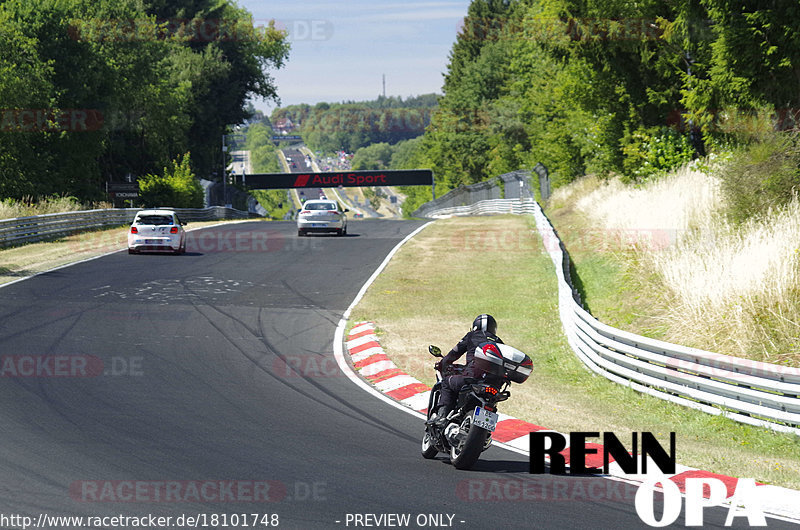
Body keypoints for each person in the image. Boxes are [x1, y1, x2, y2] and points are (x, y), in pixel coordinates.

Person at [426, 314, 503, 427]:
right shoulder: (499, 342)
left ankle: (442, 417)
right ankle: (486, 432)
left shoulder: (472, 335)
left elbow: (454, 353)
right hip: (494, 384)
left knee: (447, 382)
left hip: (473, 378)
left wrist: (443, 364)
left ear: (475, 326)